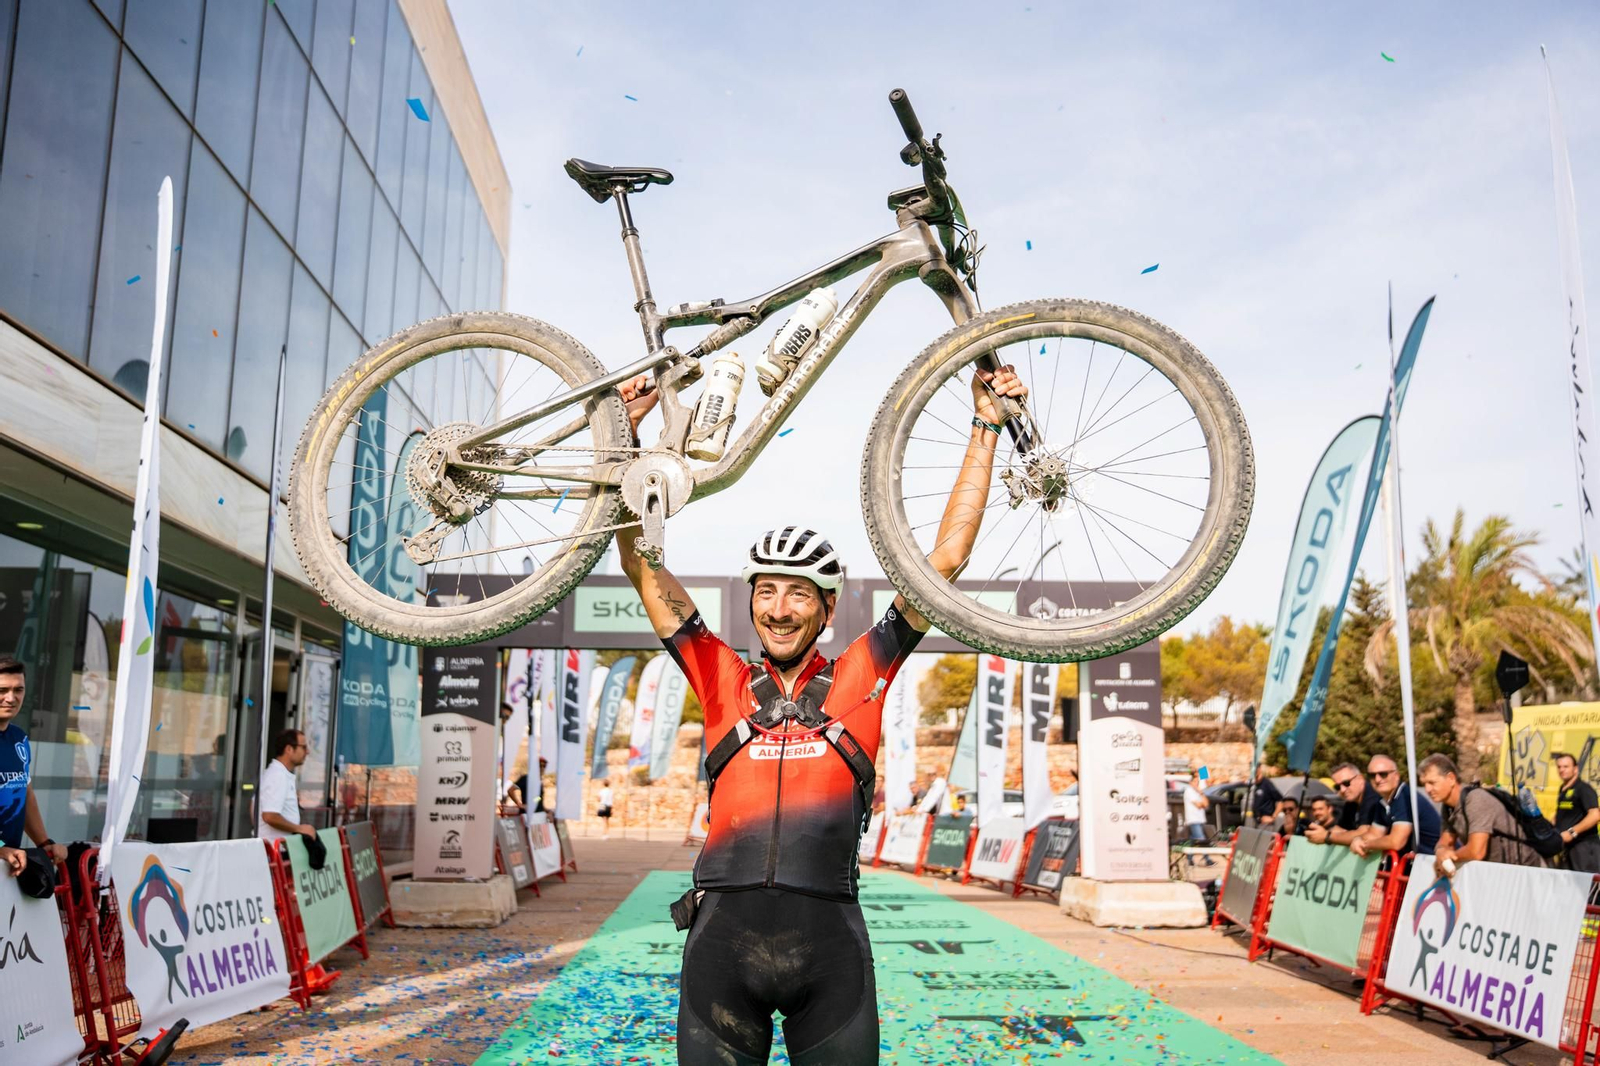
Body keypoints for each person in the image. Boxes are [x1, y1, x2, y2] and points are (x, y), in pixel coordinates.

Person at [615, 364, 1026, 1064]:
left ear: (828, 608)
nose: (778, 608)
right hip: (721, 946)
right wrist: (623, 437)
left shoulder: (864, 672)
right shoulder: (719, 676)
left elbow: (945, 560)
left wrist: (986, 423)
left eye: (799, 595)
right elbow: (642, 566)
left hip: (829, 950)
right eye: (767, 591)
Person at [1422, 752, 1548, 877]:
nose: (1427, 789)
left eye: (1432, 783)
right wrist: (1441, 851)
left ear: (1451, 779)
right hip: (1500, 873)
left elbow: (1476, 851)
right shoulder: (1449, 807)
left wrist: (1447, 858)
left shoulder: (1475, 799)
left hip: (1528, 870)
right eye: (1424, 784)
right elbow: (1445, 841)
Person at [0, 657, 67, 876]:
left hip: (8, 864)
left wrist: (44, 843)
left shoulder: (19, 738)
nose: (11, 698)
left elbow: (24, 793)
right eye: (3, 690)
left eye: (18, 689)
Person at [1349, 754, 1441, 858]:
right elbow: (1375, 834)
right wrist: (1358, 839)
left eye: (1383, 774)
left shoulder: (1405, 797)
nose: (1377, 779)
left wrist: (1365, 845)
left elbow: (1396, 842)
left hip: (1436, 861)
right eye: (1372, 775)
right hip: (1420, 863)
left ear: (1396, 776)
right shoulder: (1382, 800)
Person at [1305, 763, 1384, 847]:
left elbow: (1364, 833)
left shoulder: (1373, 796)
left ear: (1360, 779)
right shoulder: (1350, 802)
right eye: (1337, 787)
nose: (1342, 790)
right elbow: (1339, 829)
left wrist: (1327, 836)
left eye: (1346, 783)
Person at [258, 728, 315, 844]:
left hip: (275, 848)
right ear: (289, 749)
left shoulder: (279, 773)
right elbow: (269, 816)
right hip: (275, 851)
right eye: (303, 747)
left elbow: (253, 805)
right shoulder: (277, 775)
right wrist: (299, 829)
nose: (307, 752)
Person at [1553, 752, 1600, 873]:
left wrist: (1572, 832)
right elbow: (1562, 814)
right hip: (1567, 849)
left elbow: (1595, 815)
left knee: (1586, 888)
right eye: (1559, 767)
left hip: (1584, 847)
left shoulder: (1583, 789)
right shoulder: (1563, 789)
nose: (1562, 770)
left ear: (1575, 769)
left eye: (1566, 766)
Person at [1180, 774, 1210, 842]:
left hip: (1201, 819)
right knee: (1201, 839)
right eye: (1194, 781)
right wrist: (1202, 804)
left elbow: (1206, 804)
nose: (1196, 783)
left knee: (1194, 839)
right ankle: (1205, 853)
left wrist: (1200, 792)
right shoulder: (1189, 791)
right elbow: (1198, 805)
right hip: (1193, 819)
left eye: (1197, 781)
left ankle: (1190, 852)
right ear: (1190, 782)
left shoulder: (1198, 792)